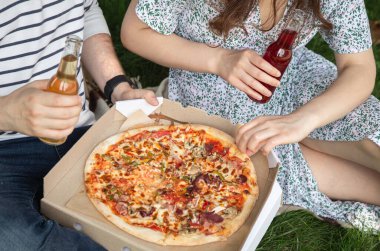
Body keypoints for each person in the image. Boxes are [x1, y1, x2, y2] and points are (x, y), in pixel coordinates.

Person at [121, 0, 380, 231]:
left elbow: (358, 66)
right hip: (212, 90)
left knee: (369, 123)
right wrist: (219, 60)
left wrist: (305, 119)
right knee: (267, 160)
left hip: (289, 73)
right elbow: (135, 31)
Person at [0, 1, 158, 250]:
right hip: (5, 148)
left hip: (79, 131)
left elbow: (85, 10)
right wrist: (6, 113)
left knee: (162, 196)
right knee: (11, 236)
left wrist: (118, 88)